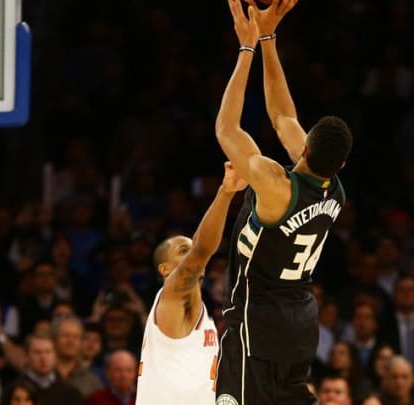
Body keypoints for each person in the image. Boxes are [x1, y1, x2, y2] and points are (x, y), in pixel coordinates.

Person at [215, 1, 353, 404]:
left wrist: (247, 49)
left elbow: (227, 129)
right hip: (300, 325)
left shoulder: (277, 187)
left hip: (257, 324)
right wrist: (269, 38)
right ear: (340, 163)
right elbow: (282, 117)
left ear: (306, 148)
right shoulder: (335, 190)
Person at [135, 162, 246, 405]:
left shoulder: (195, 307)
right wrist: (226, 192)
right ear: (164, 269)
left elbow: (199, 245)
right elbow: (201, 250)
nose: (191, 256)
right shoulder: (173, 297)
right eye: (183, 251)